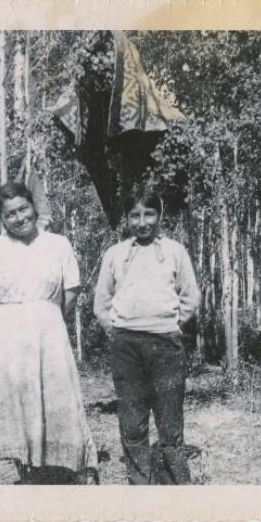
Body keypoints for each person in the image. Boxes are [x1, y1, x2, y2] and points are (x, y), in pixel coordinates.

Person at [0, 182, 97, 484]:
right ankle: (20, 464)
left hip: (48, 333)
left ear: (33, 207)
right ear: (1, 219)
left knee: (54, 394)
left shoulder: (58, 244)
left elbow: (70, 293)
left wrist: (44, 319)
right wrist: (5, 327)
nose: (19, 218)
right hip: (2, 336)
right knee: (11, 396)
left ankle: (63, 464)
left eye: (23, 209)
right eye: (10, 214)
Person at [93, 186, 200, 485]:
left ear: (160, 215)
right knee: (132, 418)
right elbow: (102, 302)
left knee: (169, 417)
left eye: (149, 214)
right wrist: (115, 330)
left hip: (166, 343)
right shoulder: (115, 255)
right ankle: (139, 482)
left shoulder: (175, 252)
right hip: (127, 345)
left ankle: (173, 482)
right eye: (134, 216)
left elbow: (190, 295)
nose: (142, 222)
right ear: (126, 219)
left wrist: (175, 325)